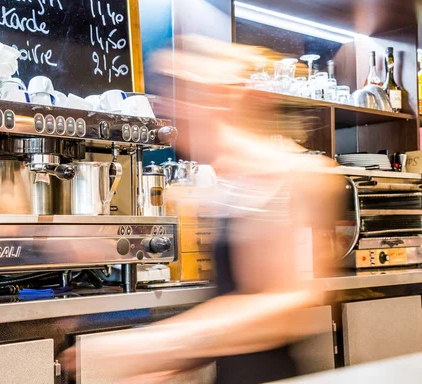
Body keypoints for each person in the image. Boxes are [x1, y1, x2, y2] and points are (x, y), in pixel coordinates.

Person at [60, 36, 344, 383]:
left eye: (180, 95)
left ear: (222, 97)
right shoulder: (225, 182)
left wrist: (158, 344)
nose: (166, 109)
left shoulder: (297, 176)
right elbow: (235, 300)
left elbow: (291, 302)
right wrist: (177, 368)